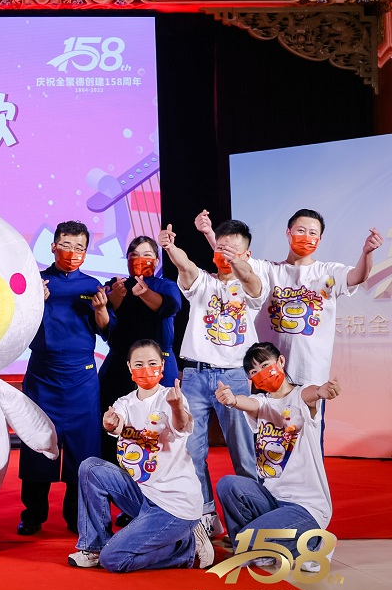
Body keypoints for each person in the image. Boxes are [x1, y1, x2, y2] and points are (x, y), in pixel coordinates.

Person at [197, 209, 383, 445]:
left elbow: (358, 276)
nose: (307, 236)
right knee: (268, 439)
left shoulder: (327, 272)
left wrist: (367, 253)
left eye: (313, 233)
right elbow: (234, 257)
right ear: (288, 232)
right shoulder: (269, 270)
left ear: (320, 238)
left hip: (310, 374)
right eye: (301, 230)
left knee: (309, 441)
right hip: (268, 372)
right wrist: (209, 233)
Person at [158, 219, 266, 538]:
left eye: (233, 250)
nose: (224, 255)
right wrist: (170, 247)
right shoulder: (203, 282)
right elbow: (186, 265)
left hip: (234, 377)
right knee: (192, 451)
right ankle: (206, 514)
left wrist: (236, 261)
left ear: (246, 255)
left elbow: (251, 281)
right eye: (220, 249)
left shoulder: (251, 286)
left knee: (244, 453)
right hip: (195, 375)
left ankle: (252, 521)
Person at [69, 339, 213, 571]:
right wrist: (110, 423)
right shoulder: (125, 402)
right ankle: (94, 547)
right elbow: (117, 422)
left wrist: (177, 407)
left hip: (174, 504)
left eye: (152, 363)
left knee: (113, 560)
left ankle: (184, 548)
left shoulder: (171, 398)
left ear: (162, 365)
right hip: (144, 493)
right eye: (139, 364)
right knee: (90, 468)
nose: (146, 369)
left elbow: (182, 425)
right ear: (129, 367)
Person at [18, 220, 110, 536]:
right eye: (66, 246)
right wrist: (33, 303)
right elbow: (16, 326)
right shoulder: (35, 283)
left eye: (79, 247)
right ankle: (33, 515)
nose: (72, 253)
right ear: (53, 246)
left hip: (81, 377)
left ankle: (75, 516)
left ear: (86, 251)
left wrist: (102, 310)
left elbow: (107, 330)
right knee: (36, 442)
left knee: (83, 448)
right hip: (42, 374)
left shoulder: (93, 286)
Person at [214, 342, 339, 572]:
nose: (261, 373)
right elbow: (249, 403)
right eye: (254, 372)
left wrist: (322, 391)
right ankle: (258, 550)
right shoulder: (263, 403)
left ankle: (317, 542)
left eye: (265, 365)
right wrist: (232, 400)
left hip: (305, 506)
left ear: (281, 361)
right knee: (228, 484)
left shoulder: (301, 396)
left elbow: (312, 393)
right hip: (272, 500)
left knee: (246, 542)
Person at [98, 235, 182, 464]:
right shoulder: (116, 285)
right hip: (119, 364)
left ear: (157, 260)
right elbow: (104, 323)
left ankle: (161, 474)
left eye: (147, 255)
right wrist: (115, 297)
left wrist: (144, 293)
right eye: (134, 255)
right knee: (113, 422)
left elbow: (171, 307)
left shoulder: (165, 285)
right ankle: (112, 475)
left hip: (159, 364)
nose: (140, 260)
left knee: (160, 423)